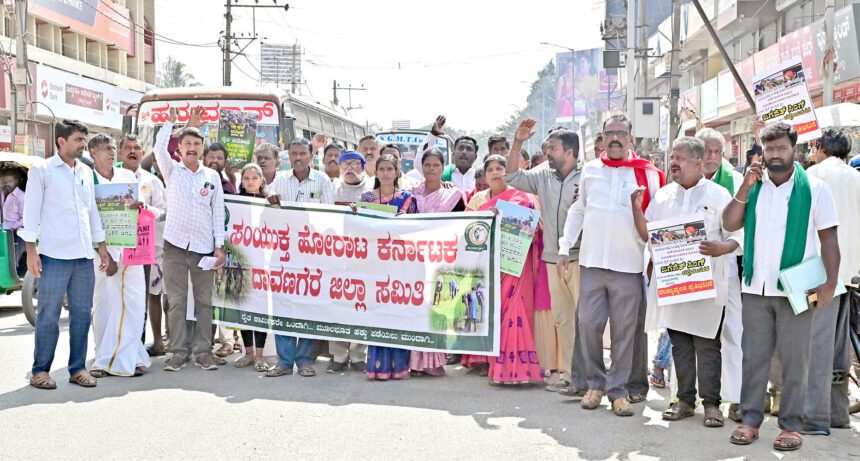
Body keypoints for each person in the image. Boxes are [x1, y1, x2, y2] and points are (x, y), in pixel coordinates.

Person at [723, 122, 840, 451]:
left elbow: (828, 239)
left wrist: (830, 283)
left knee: (795, 360)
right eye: (769, 149)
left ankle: (790, 425)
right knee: (753, 358)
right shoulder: (754, 187)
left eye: (781, 148)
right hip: (755, 289)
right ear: (762, 151)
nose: (775, 155)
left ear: (795, 149)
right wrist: (745, 186)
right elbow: (729, 223)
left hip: (796, 290)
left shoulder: (815, 189)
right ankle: (750, 419)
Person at [558, 114, 666, 416]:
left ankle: (618, 390)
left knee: (625, 332)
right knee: (588, 325)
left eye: (621, 132)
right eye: (610, 133)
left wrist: (655, 260)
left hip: (628, 266)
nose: (615, 138)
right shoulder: (590, 171)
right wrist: (565, 246)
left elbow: (657, 220)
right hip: (593, 264)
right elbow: (578, 211)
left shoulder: (648, 175)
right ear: (602, 138)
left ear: (631, 138)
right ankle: (595, 383)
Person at [631, 136, 739, 427]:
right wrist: (636, 209)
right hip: (675, 283)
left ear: (698, 162)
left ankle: (712, 404)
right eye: (672, 158)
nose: (673, 163)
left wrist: (721, 248)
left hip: (707, 286)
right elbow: (647, 234)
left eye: (679, 158)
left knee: (707, 344)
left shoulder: (718, 195)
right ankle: (685, 401)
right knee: (679, 343)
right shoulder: (664, 195)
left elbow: (735, 236)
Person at [21, 119, 111, 389]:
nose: (83, 145)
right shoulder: (43, 171)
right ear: (61, 141)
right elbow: (31, 213)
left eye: (84, 140)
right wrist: (30, 251)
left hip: (84, 256)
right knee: (48, 315)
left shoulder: (85, 171)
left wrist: (101, 247)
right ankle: (41, 370)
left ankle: (77, 368)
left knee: (82, 314)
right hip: (54, 255)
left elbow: (91, 212)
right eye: (78, 140)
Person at [504, 119, 581, 393]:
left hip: (581, 258)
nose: (548, 153)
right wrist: (517, 143)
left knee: (586, 319)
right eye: (547, 148)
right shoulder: (543, 175)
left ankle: (591, 378)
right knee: (564, 319)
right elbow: (511, 176)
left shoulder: (588, 176)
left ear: (570, 151)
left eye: (553, 148)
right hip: (552, 260)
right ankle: (571, 377)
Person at [155, 108, 227, 372]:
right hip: (174, 246)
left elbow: (217, 212)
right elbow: (158, 148)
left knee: (204, 301)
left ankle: (203, 351)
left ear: (203, 148)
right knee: (176, 301)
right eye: (187, 144)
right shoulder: (171, 170)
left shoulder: (212, 177)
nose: (192, 148)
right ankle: (177, 351)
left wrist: (219, 247)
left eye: (197, 144)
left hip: (203, 248)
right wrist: (171, 121)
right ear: (180, 148)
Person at [461, 155, 543, 384]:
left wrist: (506, 219)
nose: (496, 173)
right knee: (490, 309)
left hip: (516, 265)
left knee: (513, 311)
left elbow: (534, 230)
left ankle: (513, 369)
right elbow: (467, 232)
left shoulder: (524, 198)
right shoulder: (478, 201)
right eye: (491, 169)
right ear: (485, 175)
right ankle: (488, 360)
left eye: (501, 168)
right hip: (487, 265)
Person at [805, 128, 860, 432]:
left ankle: (814, 416)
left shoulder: (813, 175)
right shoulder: (856, 178)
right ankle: (838, 413)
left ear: (822, 149)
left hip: (819, 274)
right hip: (850, 273)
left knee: (817, 343)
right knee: (840, 346)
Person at [265, 137, 334, 378]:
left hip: (312, 253)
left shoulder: (323, 181)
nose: (298, 158)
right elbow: (267, 211)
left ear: (310, 156)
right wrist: (271, 202)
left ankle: (304, 360)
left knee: (308, 307)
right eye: (293, 153)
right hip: (283, 252)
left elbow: (328, 218)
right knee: (283, 305)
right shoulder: (279, 181)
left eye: (302, 153)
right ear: (288, 156)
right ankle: (284, 362)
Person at [86, 134, 152, 378]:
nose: (111, 153)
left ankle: (130, 356)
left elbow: (141, 206)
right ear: (93, 151)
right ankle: (103, 359)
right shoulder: (87, 178)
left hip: (131, 249)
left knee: (133, 304)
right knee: (105, 304)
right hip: (103, 253)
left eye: (113, 148)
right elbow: (88, 220)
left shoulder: (126, 176)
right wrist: (104, 253)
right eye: (106, 149)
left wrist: (139, 206)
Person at [696, 127, 746, 421]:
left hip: (727, 269)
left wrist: (725, 248)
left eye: (717, 152)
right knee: (695, 333)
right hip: (691, 275)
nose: (712, 158)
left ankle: (737, 398)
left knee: (733, 332)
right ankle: (692, 394)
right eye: (707, 151)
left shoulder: (735, 182)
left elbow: (742, 230)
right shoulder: (684, 181)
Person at [361, 154, 418, 380]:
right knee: (377, 314)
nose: (385, 173)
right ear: (376, 172)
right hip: (374, 265)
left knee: (397, 314)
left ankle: (399, 367)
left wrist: (406, 221)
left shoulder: (407, 200)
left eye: (390, 169)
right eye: (382, 169)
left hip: (399, 265)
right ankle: (378, 367)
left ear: (397, 172)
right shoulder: (366, 198)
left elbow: (416, 233)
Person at [410, 149, 465, 376]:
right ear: (421, 167)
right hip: (413, 261)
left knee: (437, 310)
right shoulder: (411, 193)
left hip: (442, 259)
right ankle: (414, 362)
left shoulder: (453, 196)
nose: (431, 169)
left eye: (436, 165)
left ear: (443, 169)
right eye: (427, 165)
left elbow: (463, 223)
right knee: (415, 311)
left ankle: (433, 362)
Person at [327, 150, 373, 373]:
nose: (350, 168)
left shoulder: (371, 190)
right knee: (337, 305)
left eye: (355, 163)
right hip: (336, 255)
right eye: (345, 164)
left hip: (363, 257)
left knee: (361, 305)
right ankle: (338, 354)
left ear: (363, 167)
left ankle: (358, 354)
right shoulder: (332, 187)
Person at [233, 163, 271, 372]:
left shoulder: (269, 202)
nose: (249, 181)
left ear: (261, 180)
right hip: (241, 262)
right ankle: (247, 353)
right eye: (246, 178)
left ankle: (259, 355)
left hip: (263, 262)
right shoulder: (236, 202)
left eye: (254, 178)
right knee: (244, 308)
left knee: (261, 309)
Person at [1, 170, 26, 275]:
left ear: (16, 181)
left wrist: (11, 226)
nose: (6, 184)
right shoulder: (1, 193)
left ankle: (14, 268)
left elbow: (24, 219)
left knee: (15, 236)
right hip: (2, 227)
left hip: (15, 229)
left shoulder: (21, 197)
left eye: (9, 181)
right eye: (3, 181)